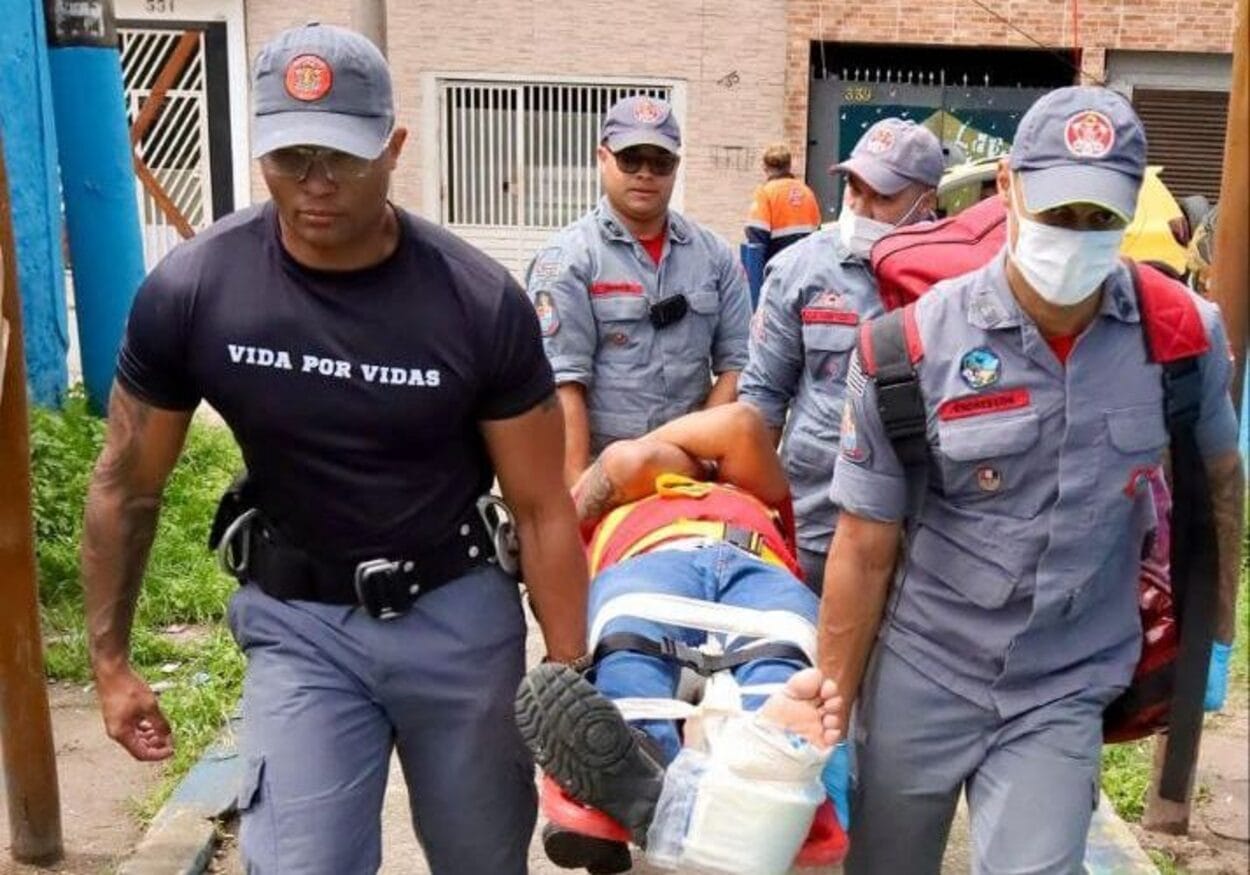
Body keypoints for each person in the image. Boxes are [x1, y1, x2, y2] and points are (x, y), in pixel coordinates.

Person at [80, 24, 588, 875]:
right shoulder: (197, 290)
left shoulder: (476, 302)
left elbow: (541, 505)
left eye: (342, 159)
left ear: (393, 148)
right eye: (291, 157)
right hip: (299, 623)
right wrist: (109, 661)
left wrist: (569, 674)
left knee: (481, 860)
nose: (314, 186)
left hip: (457, 617)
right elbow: (125, 484)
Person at [821, 86, 1244, 874]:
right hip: (926, 665)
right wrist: (833, 697)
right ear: (1009, 185)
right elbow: (864, 543)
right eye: (1057, 214)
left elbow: (1218, 483)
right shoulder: (910, 348)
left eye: (1099, 220)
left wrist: (1212, 637)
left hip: (1067, 678)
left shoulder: (1182, 337)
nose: (1075, 238)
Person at [515, 403, 846, 874]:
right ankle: (744, 772)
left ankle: (660, 789)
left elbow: (733, 428)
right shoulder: (581, 520)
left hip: (751, 567)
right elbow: (634, 464)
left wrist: (663, 460)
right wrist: (668, 461)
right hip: (656, 560)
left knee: (780, 680)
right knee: (633, 666)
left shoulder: (748, 485)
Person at [739, 118, 944, 590]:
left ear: (926, 199)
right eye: (854, 187)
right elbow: (762, 398)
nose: (861, 205)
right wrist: (752, 509)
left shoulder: (954, 282)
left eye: (883, 195)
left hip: (924, 534)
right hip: (816, 521)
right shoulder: (799, 270)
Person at [525, 95, 752, 487]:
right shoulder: (568, 260)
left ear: (676, 167)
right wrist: (579, 492)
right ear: (602, 157)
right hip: (604, 477)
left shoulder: (715, 256)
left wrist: (700, 457)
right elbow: (565, 385)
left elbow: (737, 366)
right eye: (630, 159)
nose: (645, 173)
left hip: (694, 473)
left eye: (659, 162)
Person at [744, 142, 822, 264]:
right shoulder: (807, 192)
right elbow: (818, 233)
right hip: (805, 266)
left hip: (778, 266)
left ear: (765, 167)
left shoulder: (765, 193)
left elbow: (757, 236)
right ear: (789, 166)